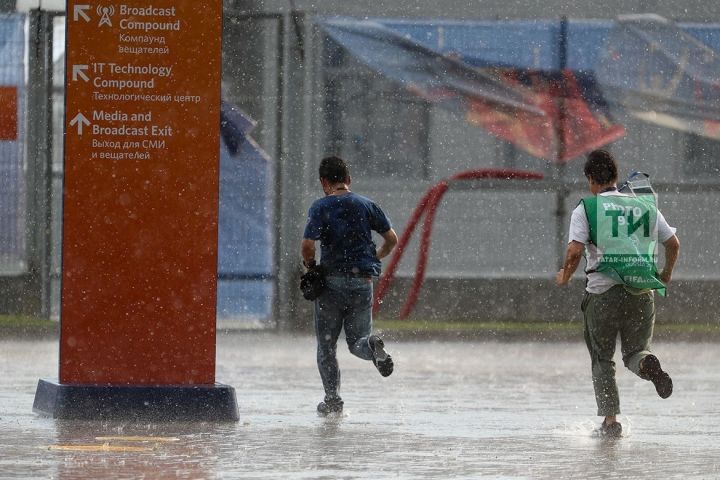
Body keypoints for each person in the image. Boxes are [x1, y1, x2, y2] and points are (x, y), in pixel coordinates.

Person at [555, 149, 680, 438]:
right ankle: (649, 365)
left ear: (590, 179)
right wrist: (666, 274)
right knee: (636, 352)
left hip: (602, 294)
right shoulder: (645, 206)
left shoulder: (586, 208)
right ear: (616, 176)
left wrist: (564, 274)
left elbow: (575, 250)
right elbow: (673, 244)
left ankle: (611, 423)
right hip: (642, 291)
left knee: (603, 359)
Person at [301, 156, 399, 416]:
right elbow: (392, 239)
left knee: (326, 346)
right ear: (349, 180)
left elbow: (308, 245)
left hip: (331, 284)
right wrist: (374, 257)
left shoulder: (320, 207)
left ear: (324, 182)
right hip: (362, 282)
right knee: (357, 342)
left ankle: (332, 401)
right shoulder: (367, 206)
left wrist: (311, 268)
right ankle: (372, 347)